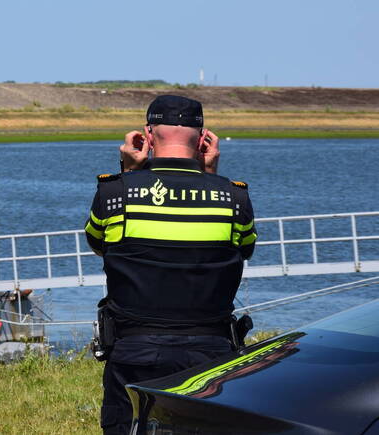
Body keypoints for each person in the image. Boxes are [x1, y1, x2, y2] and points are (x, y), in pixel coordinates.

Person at [85, 95, 257, 435]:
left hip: (134, 353)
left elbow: (102, 246)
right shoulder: (234, 199)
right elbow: (243, 250)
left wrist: (130, 172)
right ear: (203, 138)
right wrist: (211, 175)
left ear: (148, 136)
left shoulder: (115, 193)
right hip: (211, 354)